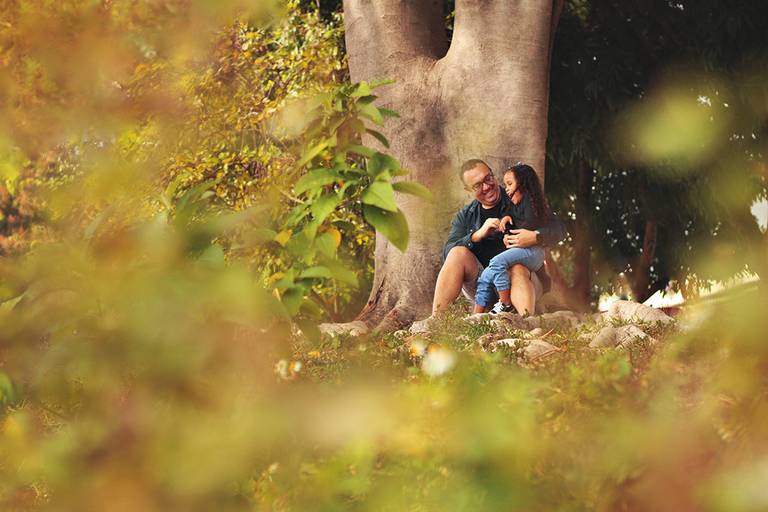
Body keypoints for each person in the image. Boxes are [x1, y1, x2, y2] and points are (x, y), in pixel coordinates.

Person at [431, 159, 566, 318]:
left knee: (517, 267)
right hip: (484, 284)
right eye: (477, 185)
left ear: (493, 175)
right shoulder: (466, 216)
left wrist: (535, 236)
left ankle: (524, 321)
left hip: (522, 280)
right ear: (468, 190)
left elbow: (560, 229)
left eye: (488, 178)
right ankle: (436, 322)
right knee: (456, 253)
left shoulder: (519, 196)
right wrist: (477, 235)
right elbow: (447, 253)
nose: (486, 187)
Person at [473, 163, 550, 315]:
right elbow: (512, 218)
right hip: (522, 252)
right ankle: (475, 317)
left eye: (510, 184)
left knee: (497, 262)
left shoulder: (531, 202)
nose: (506, 189)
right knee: (485, 277)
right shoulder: (514, 204)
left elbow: (528, 226)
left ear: (522, 184)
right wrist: (506, 219)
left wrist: (513, 236)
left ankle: (505, 303)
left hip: (533, 252)